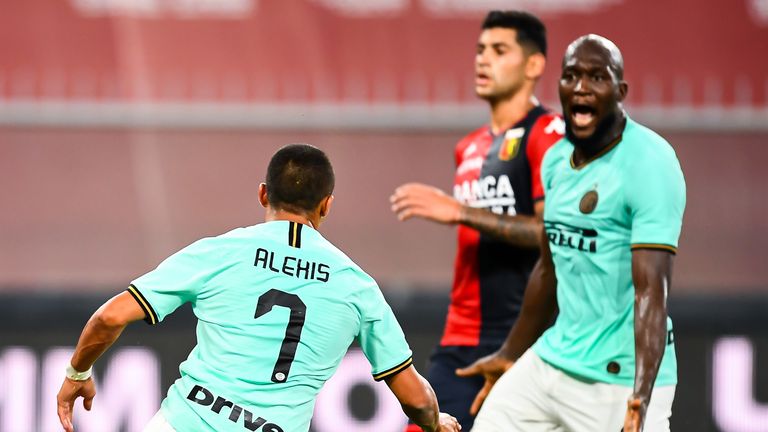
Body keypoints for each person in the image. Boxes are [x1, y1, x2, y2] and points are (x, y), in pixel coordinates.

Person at [56, 144, 461, 432]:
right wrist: (434, 421)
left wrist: (78, 371)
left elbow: (110, 316)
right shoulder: (357, 287)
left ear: (263, 193)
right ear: (326, 206)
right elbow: (416, 397)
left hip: (184, 422)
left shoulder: (220, 252)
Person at [456, 34, 686, 432]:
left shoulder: (650, 162)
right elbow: (548, 269)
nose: (581, 87)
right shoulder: (557, 159)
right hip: (554, 359)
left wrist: (641, 398)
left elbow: (652, 291)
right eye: (572, 76)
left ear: (620, 91)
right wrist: (510, 353)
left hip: (618, 380)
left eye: (597, 77)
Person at [390, 10, 563, 431]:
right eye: (480, 50)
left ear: (534, 64)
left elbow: (555, 235)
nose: (483, 60)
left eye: (499, 50)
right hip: (460, 341)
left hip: (524, 341)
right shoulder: (469, 146)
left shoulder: (549, 134)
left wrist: (460, 211)